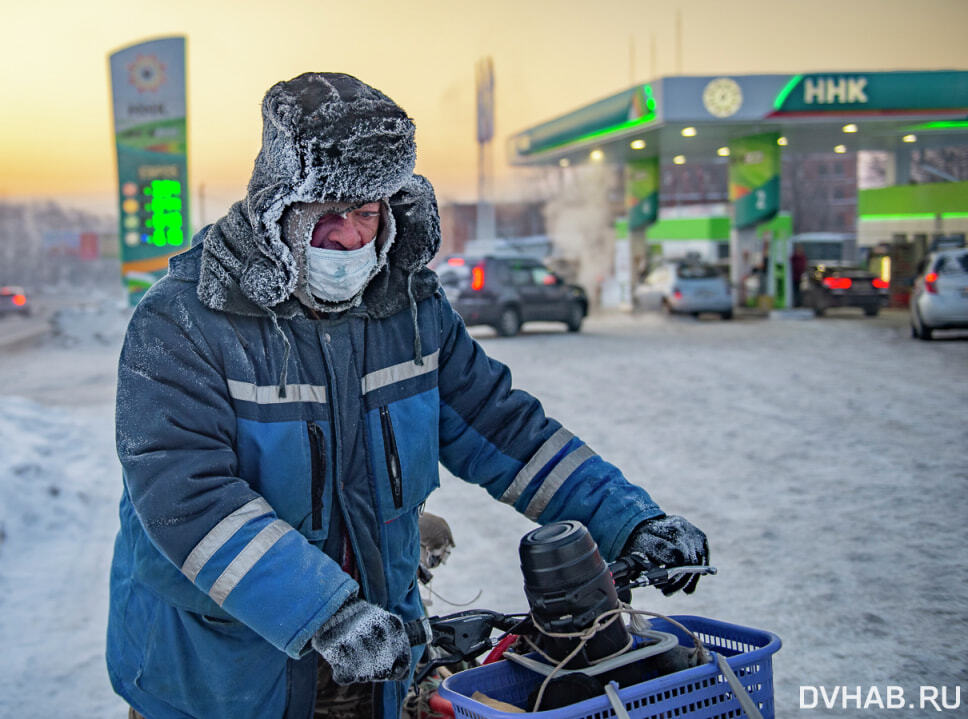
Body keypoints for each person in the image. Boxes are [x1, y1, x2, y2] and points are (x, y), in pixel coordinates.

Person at [106, 72, 708, 719]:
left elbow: (502, 428)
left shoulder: (410, 310)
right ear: (279, 207)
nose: (350, 238)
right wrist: (324, 612)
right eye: (327, 216)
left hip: (376, 657)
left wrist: (629, 519)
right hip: (220, 677)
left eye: (367, 213)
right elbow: (186, 495)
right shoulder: (185, 319)